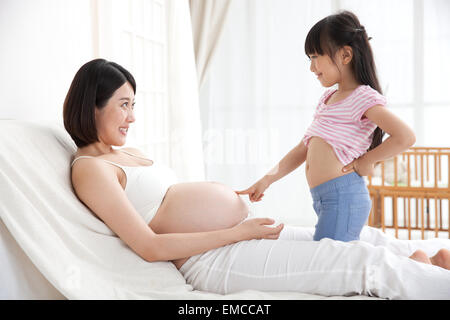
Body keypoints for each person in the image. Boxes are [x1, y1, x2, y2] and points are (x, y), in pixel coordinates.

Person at [64, 58, 450, 300]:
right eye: (123, 105)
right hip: (213, 259)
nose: (132, 117)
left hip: (240, 234)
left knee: (364, 239)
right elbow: (148, 245)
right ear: (91, 106)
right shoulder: (90, 169)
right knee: (358, 261)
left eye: (134, 105)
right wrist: (238, 232)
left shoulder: (123, 153)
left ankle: (427, 262)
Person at [237, 11, 416, 242]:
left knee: (329, 260)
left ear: (345, 55)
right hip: (326, 198)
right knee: (331, 260)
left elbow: (405, 137)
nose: (312, 67)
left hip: (344, 195)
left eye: (315, 56)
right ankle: (420, 260)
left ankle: (420, 262)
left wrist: (366, 160)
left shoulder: (362, 97)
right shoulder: (328, 99)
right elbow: (303, 149)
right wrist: (266, 179)